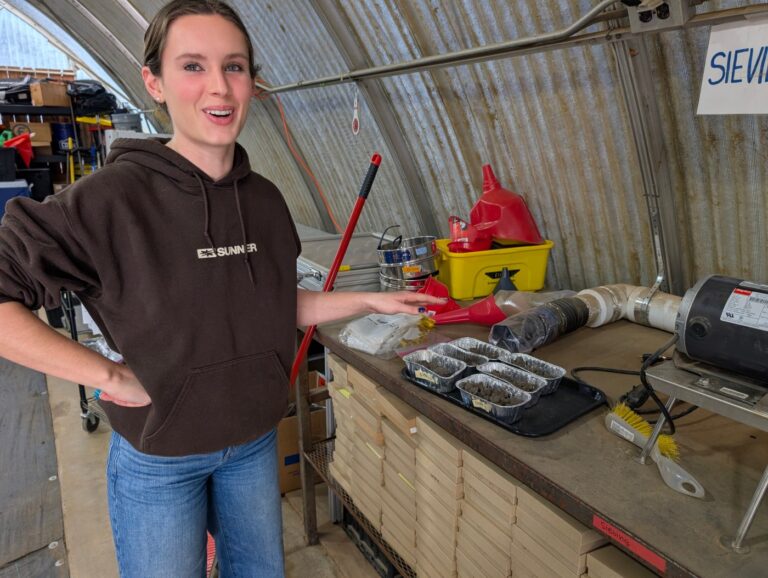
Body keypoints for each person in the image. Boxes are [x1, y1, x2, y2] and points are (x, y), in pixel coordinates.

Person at [0, 1, 442, 576]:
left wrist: (371, 300)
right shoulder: (108, 201)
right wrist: (107, 376)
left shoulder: (265, 200)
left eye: (234, 66)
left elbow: (271, 306)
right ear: (154, 82)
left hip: (252, 444)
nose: (220, 87)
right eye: (193, 66)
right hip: (161, 460)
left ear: (252, 81)